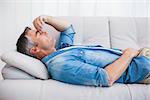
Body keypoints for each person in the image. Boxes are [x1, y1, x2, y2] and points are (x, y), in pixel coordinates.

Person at [16, 15, 150, 87]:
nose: (44, 31)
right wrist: (128, 54)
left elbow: (68, 28)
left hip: (141, 56)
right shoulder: (60, 65)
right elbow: (105, 78)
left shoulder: (61, 51)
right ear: (35, 49)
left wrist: (46, 18)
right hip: (143, 68)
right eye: (39, 34)